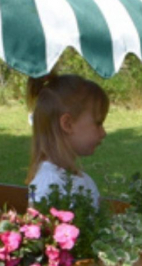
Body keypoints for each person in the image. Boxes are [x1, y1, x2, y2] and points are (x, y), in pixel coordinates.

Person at [26, 73, 109, 207]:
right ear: (68, 124)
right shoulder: (47, 183)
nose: (103, 133)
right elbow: (36, 225)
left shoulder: (83, 180)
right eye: (98, 123)